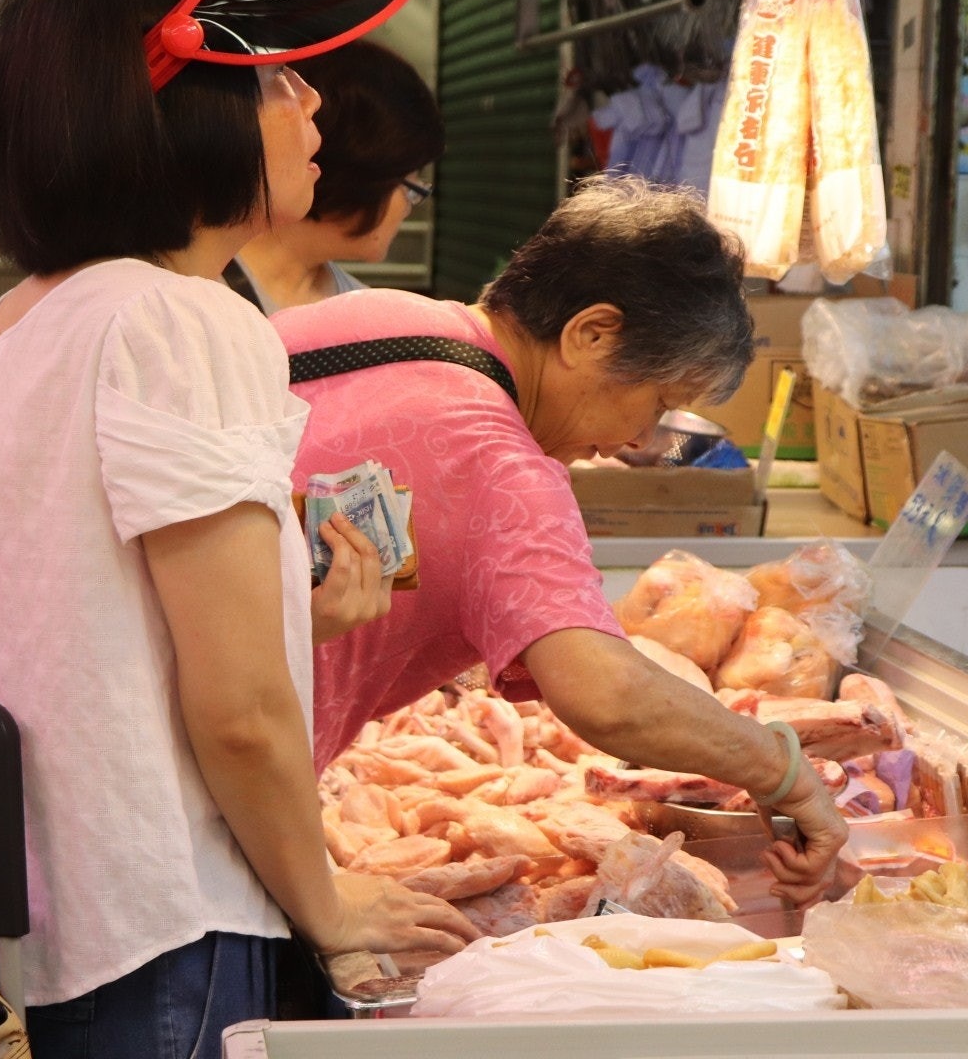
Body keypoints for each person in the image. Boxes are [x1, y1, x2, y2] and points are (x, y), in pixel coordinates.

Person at [0, 0, 474, 1059]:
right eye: (278, 78)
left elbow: (70, 616)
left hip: (0, 908)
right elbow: (240, 709)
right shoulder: (183, 319)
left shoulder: (32, 313)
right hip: (147, 932)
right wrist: (331, 906)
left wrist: (301, 607)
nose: (313, 110)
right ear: (187, 108)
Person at [274, 175, 848, 906]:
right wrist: (783, 771)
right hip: (186, 823)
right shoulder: (508, 468)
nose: (640, 441)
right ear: (591, 333)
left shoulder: (373, 317)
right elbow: (608, 696)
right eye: (659, 402)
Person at [223, 39, 444, 312]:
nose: (408, 207)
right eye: (411, 189)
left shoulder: (366, 315)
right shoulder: (196, 286)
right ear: (359, 173)